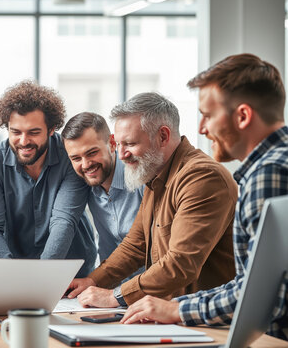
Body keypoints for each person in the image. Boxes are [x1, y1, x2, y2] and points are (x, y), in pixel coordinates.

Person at [120, 54, 288, 340]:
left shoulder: (268, 174)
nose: (201, 128)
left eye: (208, 115)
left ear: (243, 116)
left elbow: (259, 295)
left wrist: (176, 310)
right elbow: (249, 284)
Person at [67, 92, 236, 308]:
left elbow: (180, 263)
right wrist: (93, 280)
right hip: (170, 315)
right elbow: (135, 246)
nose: (121, 155)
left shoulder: (201, 177)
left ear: (163, 137)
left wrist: (115, 297)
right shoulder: (154, 176)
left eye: (129, 143)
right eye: (118, 145)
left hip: (204, 319)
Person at [0, 80, 97, 277]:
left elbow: (63, 221)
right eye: (15, 132)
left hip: (72, 273)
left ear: (51, 130)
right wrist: (10, 273)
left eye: (33, 132)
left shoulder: (70, 156)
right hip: (16, 271)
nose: (23, 141)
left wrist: (40, 278)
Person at [61, 112, 144, 264]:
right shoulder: (86, 187)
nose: (86, 165)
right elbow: (107, 249)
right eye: (76, 158)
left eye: (92, 153)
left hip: (150, 283)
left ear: (112, 143)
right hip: (112, 281)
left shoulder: (141, 178)